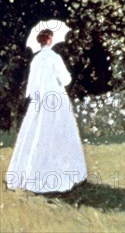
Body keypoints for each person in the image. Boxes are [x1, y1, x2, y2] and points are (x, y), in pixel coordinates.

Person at [5, 29, 87, 193]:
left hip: (40, 100)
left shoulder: (36, 59)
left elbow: (32, 85)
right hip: (56, 98)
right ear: (49, 40)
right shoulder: (55, 58)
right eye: (51, 37)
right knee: (58, 132)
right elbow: (65, 79)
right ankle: (63, 176)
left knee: (36, 132)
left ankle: (29, 175)